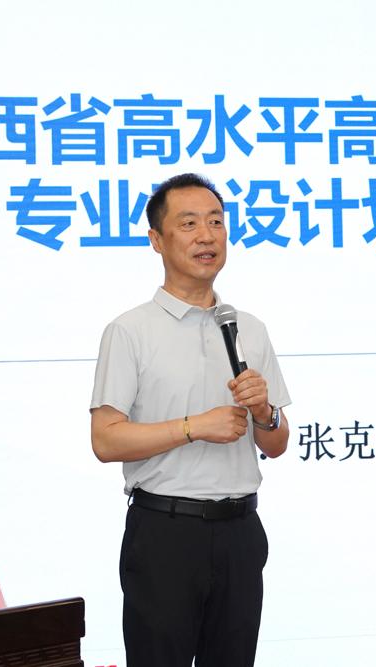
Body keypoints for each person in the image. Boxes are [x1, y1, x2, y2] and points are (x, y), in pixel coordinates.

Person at [90, 173, 291, 667]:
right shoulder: (130, 330)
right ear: (157, 240)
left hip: (241, 532)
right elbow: (105, 440)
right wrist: (193, 427)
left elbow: (277, 442)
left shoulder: (248, 328)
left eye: (217, 222)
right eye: (189, 224)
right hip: (166, 533)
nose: (207, 236)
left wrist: (264, 413)